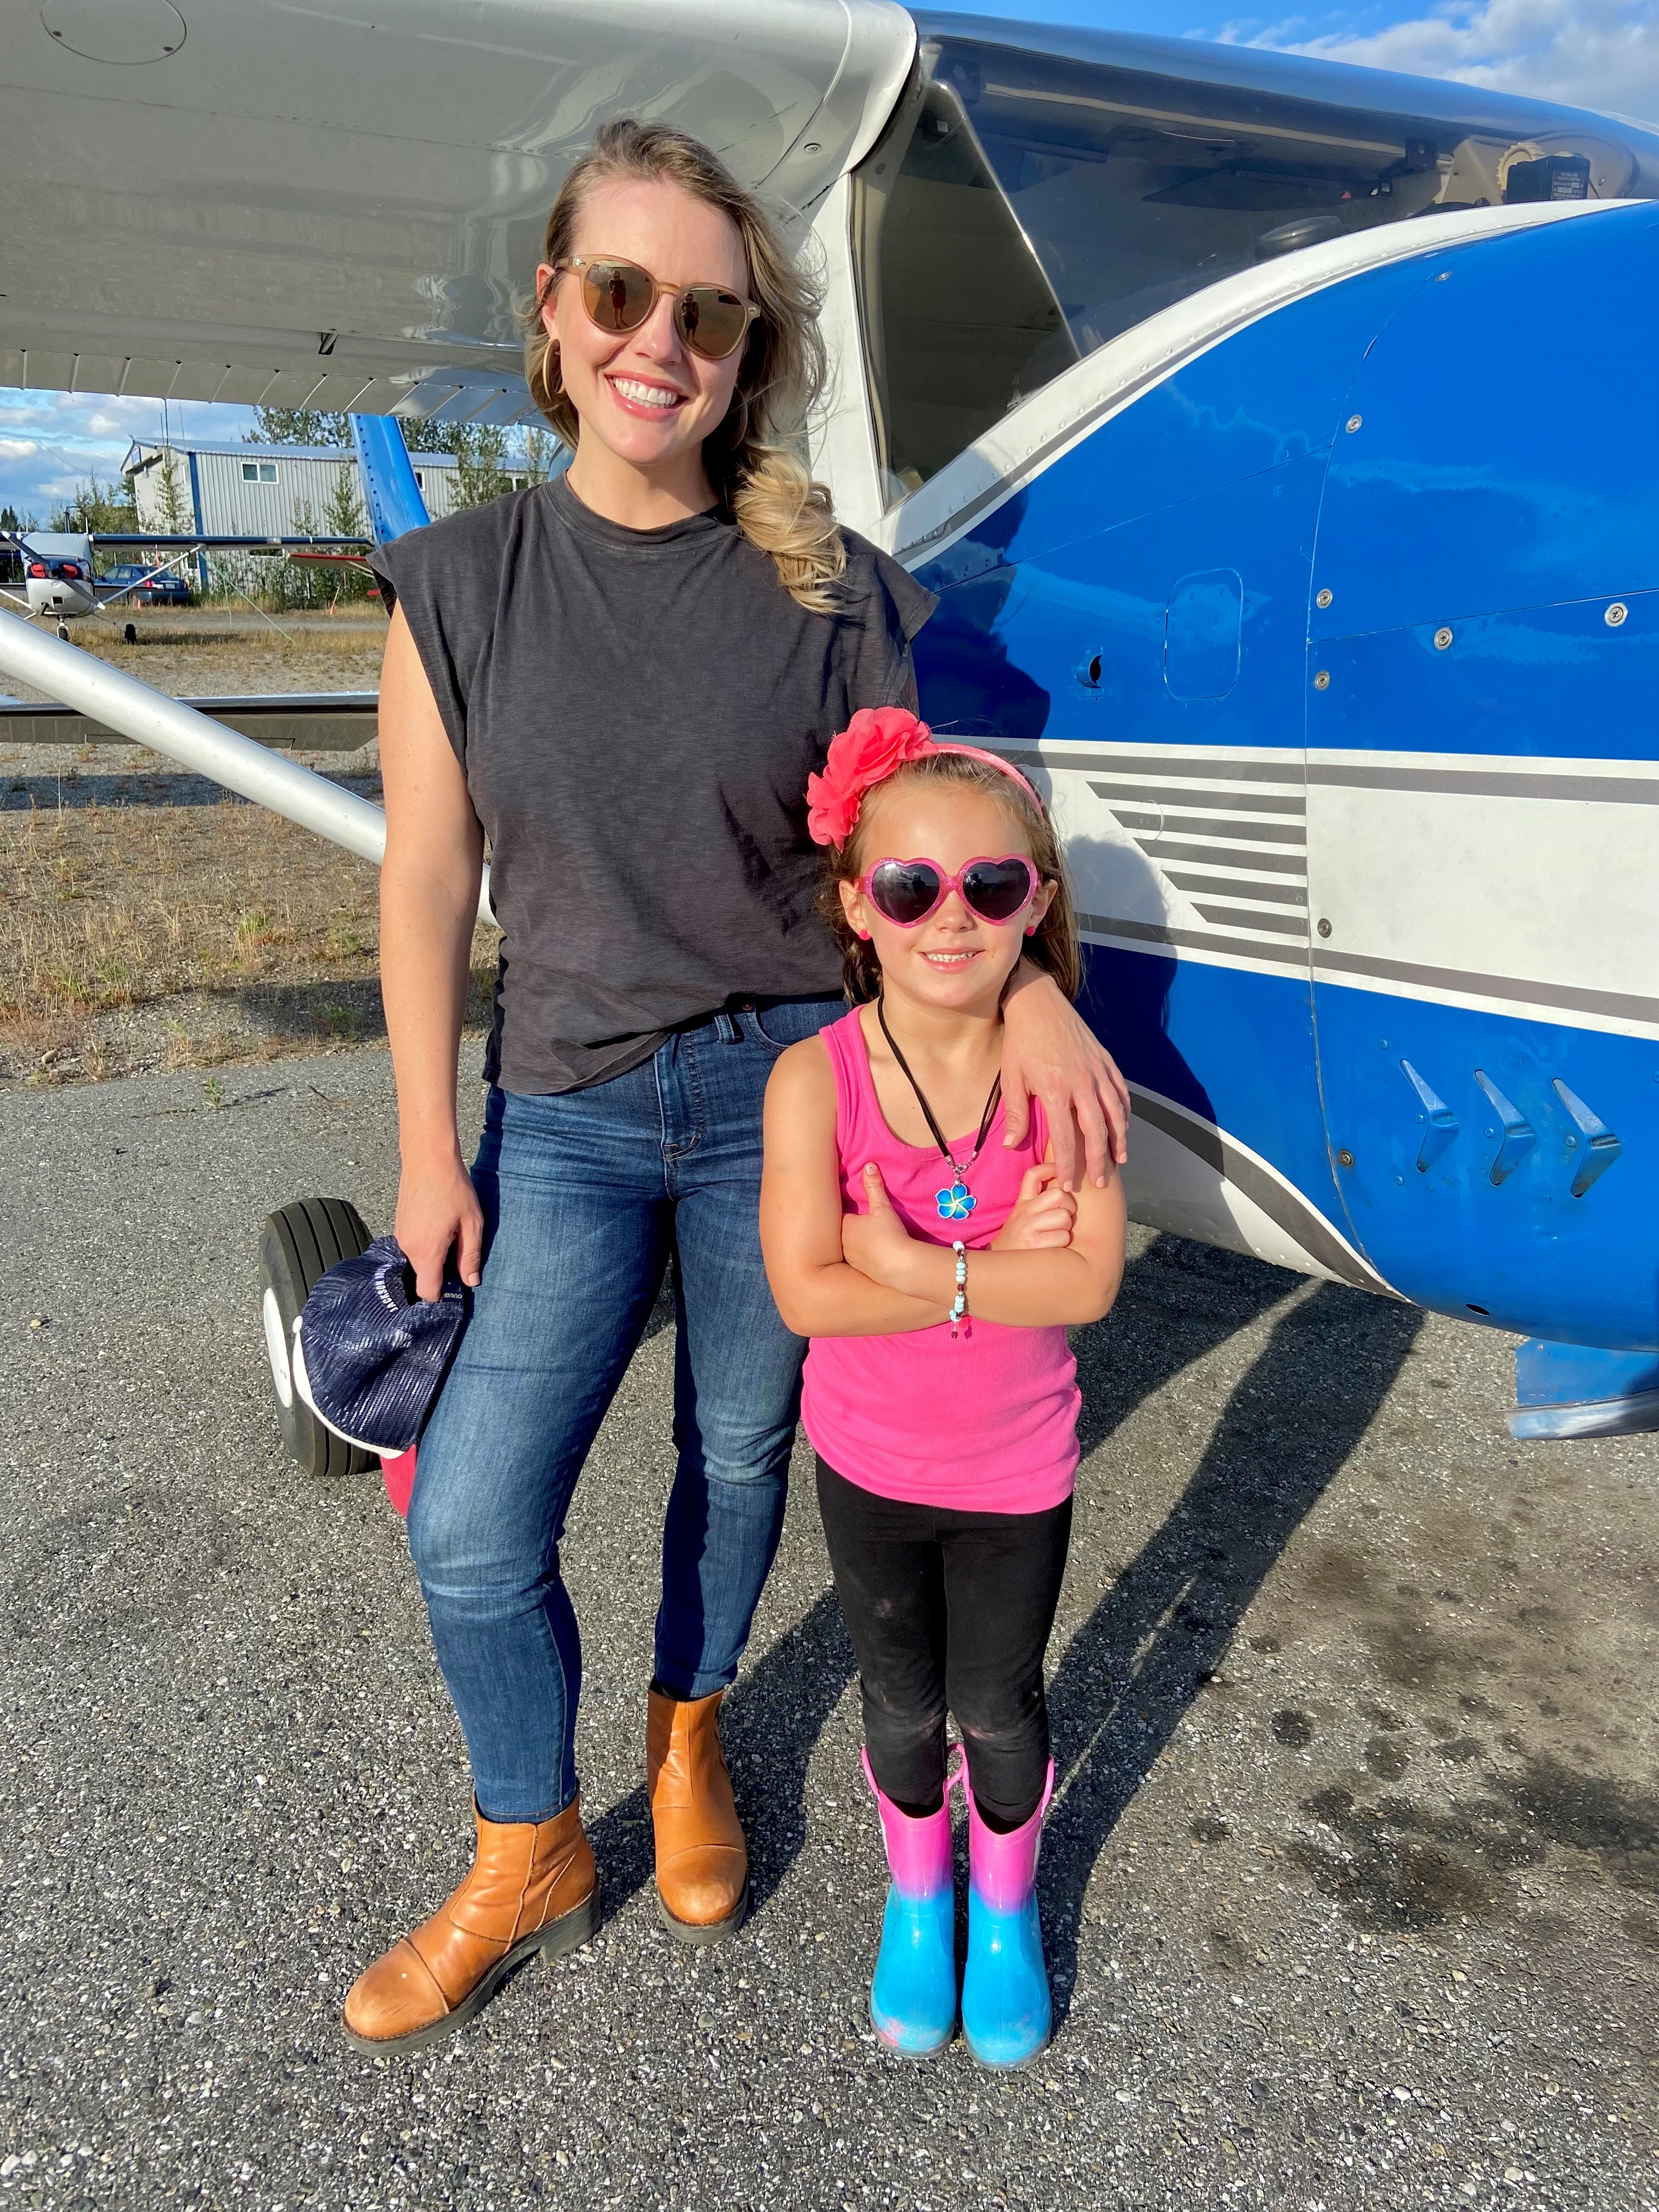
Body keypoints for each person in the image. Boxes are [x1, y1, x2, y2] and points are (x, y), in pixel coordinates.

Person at [343, 116, 1130, 2053]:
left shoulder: (831, 587)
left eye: (704, 310)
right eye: (619, 294)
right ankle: (527, 1836)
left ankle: (686, 1738)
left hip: (794, 1094)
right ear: (553, 314)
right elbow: (428, 879)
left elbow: (939, 833)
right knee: (471, 1524)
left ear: (744, 346)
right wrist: (430, 1146)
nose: (658, 339)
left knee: (744, 1455)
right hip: (572, 1101)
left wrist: (1032, 992)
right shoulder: (455, 582)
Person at [760, 712, 1127, 2069]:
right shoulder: (817, 1082)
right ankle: (922, 1897)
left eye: (992, 886)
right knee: (900, 1703)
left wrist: (913, 1261)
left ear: (1036, 903)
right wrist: (989, 1267)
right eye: (912, 888)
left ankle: (1007, 1904)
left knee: (1001, 1704)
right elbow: (807, 1295)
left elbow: (1086, 1284)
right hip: (868, 1463)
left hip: (1017, 1472)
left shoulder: (1066, 1080)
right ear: (859, 905)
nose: (951, 919)